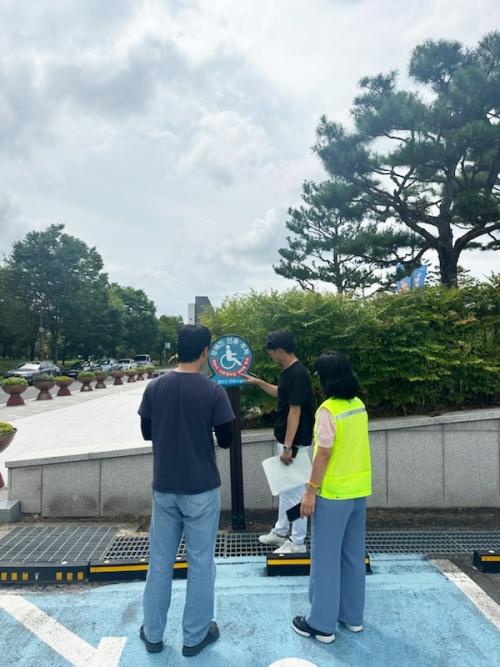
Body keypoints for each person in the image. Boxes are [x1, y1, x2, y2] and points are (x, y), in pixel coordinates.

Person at [138, 324, 234, 658]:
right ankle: (195, 637)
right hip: (201, 488)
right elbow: (226, 439)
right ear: (205, 351)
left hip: (164, 487)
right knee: (201, 562)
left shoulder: (155, 386)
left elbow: (147, 432)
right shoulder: (212, 391)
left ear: (178, 349)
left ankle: (153, 633)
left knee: (160, 561)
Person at [292, 351, 372, 644]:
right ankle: (352, 617)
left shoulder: (327, 410)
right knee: (353, 556)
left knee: (325, 560)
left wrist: (310, 490)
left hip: (333, 494)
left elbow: (323, 453)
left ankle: (321, 624)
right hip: (358, 492)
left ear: (326, 379)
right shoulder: (358, 405)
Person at [244, 330, 315, 554]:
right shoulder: (288, 372)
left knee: (295, 492)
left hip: (295, 443)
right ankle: (281, 531)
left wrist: (288, 446)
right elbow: (281, 394)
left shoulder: (298, 374)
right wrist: (258, 382)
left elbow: (295, 412)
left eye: (272, 352)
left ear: (280, 350)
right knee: (286, 489)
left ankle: (297, 541)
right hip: (289, 441)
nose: (271, 356)